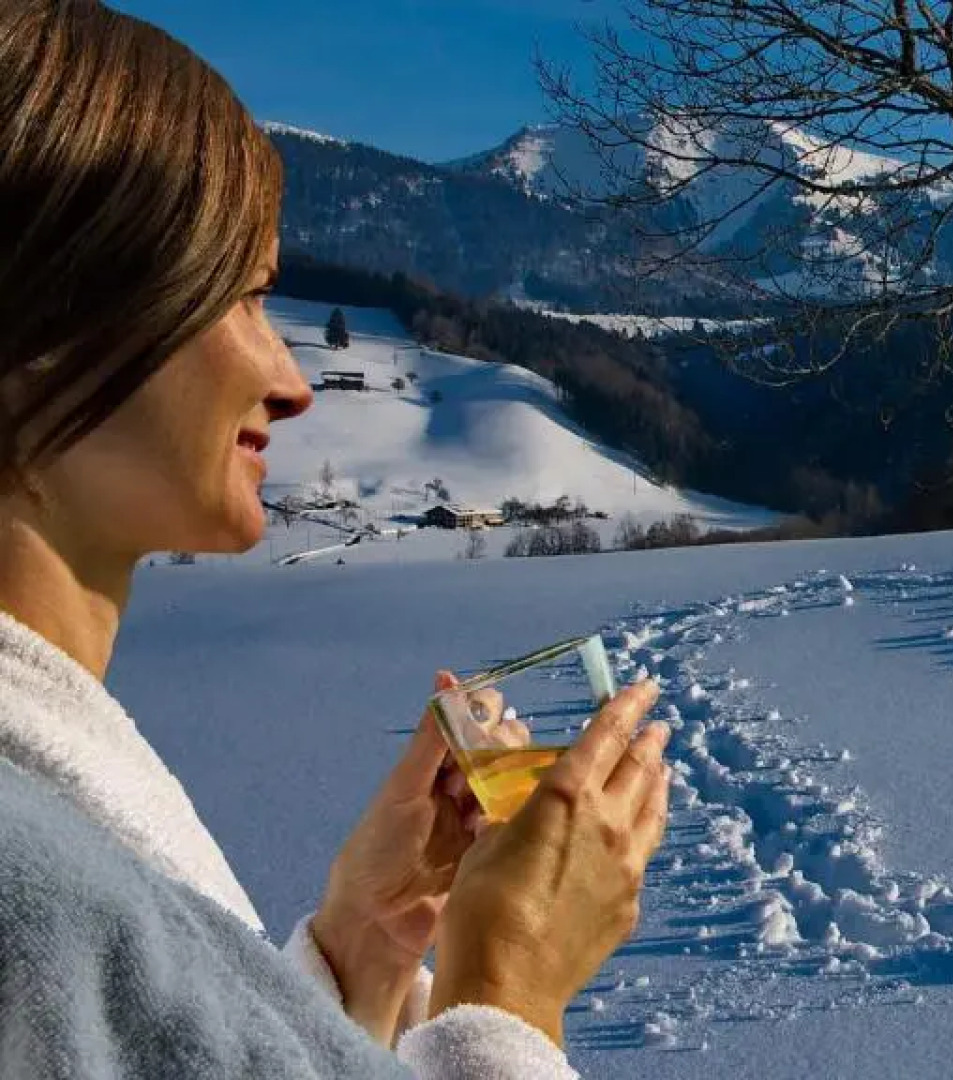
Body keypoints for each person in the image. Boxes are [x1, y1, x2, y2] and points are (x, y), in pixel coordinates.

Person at [0, 2, 672, 1075]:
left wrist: (351, 964)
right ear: (40, 322)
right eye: (248, 298)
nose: (292, 380)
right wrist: (508, 989)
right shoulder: (38, 893)